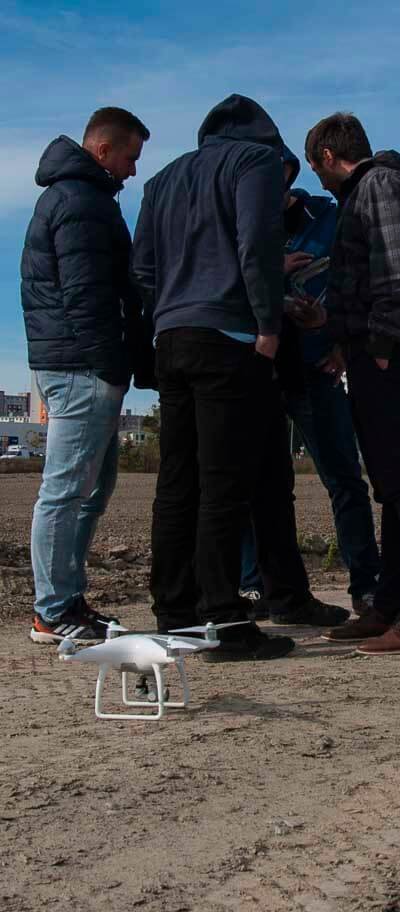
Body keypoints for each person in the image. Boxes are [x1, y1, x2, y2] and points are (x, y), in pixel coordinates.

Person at [131, 94, 298, 661]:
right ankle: (225, 621)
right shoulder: (253, 164)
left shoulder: (161, 179)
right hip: (228, 337)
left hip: (171, 339)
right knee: (225, 484)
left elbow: (144, 268)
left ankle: (174, 613)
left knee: (177, 482)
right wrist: (268, 323)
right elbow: (257, 244)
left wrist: (167, 314)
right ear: (266, 137)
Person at [304, 112, 400, 655]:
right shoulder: (367, 192)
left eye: (313, 167)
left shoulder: (385, 183)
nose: (316, 181)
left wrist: (383, 345)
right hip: (377, 350)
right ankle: (390, 605)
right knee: (390, 484)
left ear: (326, 156)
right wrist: (342, 338)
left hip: (397, 350)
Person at [21, 107, 152, 646]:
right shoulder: (80, 203)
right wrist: (110, 365)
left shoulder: (81, 198)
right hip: (80, 366)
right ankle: (53, 611)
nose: (134, 169)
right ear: (103, 151)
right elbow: (87, 295)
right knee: (67, 491)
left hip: (77, 363)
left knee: (90, 489)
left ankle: (65, 601)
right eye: (130, 156)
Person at [239, 151, 382, 617]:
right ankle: (254, 587)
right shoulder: (235, 223)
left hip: (316, 365)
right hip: (256, 369)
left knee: (345, 480)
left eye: (276, 183)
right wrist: (272, 272)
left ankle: (368, 587)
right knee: (253, 485)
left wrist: (343, 340)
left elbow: (360, 280)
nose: (268, 194)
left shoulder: (328, 217)